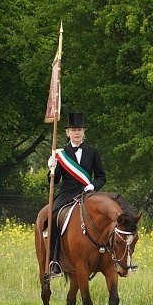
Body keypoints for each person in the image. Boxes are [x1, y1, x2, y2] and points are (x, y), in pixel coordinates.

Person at [45, 112, 106, 276]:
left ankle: (107, 257)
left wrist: (93, 186)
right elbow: (54, 181)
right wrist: (51, 168)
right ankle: (54, 260)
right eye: (73, 130)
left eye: (79, 129)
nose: (76, 132)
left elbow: (101, 176)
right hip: (67, 194)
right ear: (68, 133)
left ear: (83, 131)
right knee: (53, 217)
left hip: (88, 193)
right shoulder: (60, 154)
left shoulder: (93, 151)